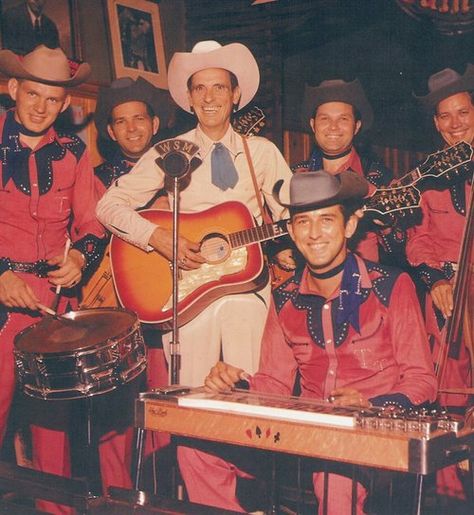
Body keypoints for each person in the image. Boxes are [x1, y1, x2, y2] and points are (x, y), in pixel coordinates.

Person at [177, 169, 438, 514]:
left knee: (335, 478)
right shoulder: (285, 297)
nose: (314, 234)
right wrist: (235, 383)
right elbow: (274, 382)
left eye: (326, 220)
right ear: (290, 231)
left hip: (374, 440)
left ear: (348, 226)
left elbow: (422, 381)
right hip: (306, 438)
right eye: (302, 222)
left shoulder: (390, 285)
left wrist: (371, 403)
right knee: (195, 450)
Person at [97, 40, 293, 387]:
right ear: (188, 99)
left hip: (247, 291)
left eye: (219, 87)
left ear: (235, 94)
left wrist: (291, 246)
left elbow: (293, 214)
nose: (209, 97)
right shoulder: (168, 152)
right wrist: (155, 237)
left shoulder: (261, 153)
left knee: (248, 391)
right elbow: (108, 206)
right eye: (199, 88)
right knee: (191, 396)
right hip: (187, 291)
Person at [0, 45, 107, 513]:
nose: (41, 107)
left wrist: (81, 259)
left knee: (53, 427)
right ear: (13, 89)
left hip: (53, 303)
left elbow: (93, 222)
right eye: (33, 95)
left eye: (52, 100)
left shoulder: (74, 152)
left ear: (66, 104)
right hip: (3, 300)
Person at [407, 62, 474, 501]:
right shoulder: (427, 176)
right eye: (445, 117)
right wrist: (434, 281)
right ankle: (450, 495)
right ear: (435, 123)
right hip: (448, 290)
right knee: (446, 384)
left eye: (463, 113)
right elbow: (418, 240)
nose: (455, 125)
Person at [293, 78, 404, 264]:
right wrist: (279, 251)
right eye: (325, 119)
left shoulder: (381, 179)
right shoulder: (295, 177)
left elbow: (401, 248)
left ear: (356, 126)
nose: (333, 127)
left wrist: (388, 225)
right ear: (313, 125)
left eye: (343, 119)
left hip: (366, 286)